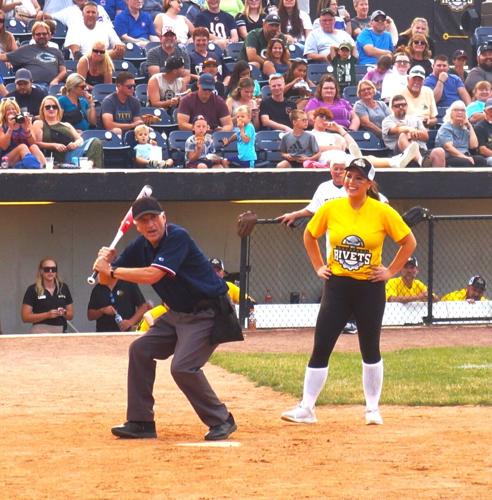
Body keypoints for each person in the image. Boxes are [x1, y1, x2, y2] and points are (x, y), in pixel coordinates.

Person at [280, 157, 416, 426]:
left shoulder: (382, 211)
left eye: (358, 178)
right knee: (322, 346)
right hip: (338, 287)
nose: (351, 181)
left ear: (369, 183)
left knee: (370, 347)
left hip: (370, 288)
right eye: (349, 176)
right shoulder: (332, 208)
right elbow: (310, 234)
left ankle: (372, 409)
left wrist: (389, 271)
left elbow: (408, 242)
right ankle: (307, 408)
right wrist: (319, 266)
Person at [92, 196, 238, 441]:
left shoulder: (177, 237)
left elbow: (152, 275)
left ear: (164, 218)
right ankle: (140, 422)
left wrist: (112, 269)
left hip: (208, 312)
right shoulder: (140, 246)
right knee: (140, 349)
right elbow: (106, 282)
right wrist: (104, 263)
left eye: (154, 218)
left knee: (183, 367)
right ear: (136, 226)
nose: (150, 224)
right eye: (143, 220)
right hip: (178, 313)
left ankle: (221, 419)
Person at [32, 95, 104, 168]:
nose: (51, 109)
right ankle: (89, 166)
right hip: (57, 156)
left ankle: (90, 165)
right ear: (42, 110)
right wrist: (54, 145)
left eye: (54, 107)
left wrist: (74, 144)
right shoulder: (39, 123)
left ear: (58, 109)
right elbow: (36, 143)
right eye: (48, 107)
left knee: (95, 141)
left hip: (72, 153)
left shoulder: (66, 124)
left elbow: (80, 139)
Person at [382, 94, 444, 168]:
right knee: (403, 136)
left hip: (421, 150)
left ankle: (438, 178)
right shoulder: (387, 121)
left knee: (439, 152)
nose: (401, 107)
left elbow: (426, 136)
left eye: (403, 105)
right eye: (397, 106)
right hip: (400, 154)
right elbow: (397, 130)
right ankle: (421, 161)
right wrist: (411, 130)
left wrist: (416, 134)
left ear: (407, 106)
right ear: (392, 108)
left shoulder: (415, 119)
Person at [0, 21, 66, 88]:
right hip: (34, 86)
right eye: (38, 34)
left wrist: (56, 80)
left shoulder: (57, 52)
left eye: (44, 34)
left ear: (49, 35)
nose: (41, 36)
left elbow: (63, 71)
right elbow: (3, 57)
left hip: (53, 86)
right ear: (33, 36)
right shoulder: (25, 50)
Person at [21, 257, 74, 334]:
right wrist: (47, 315)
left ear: (56, 271)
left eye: (53, 269)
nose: (50, 272)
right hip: (40, 332)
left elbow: (71, 315)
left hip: (60, 332)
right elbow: (25, 317)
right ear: (41, 271)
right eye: (47, 269)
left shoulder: (63, 287)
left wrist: (64, 312)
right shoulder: (33, 289)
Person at [435, 100, 487, 167]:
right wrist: (465, 157)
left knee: (481, 160)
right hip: (449, 156)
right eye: (456, 110)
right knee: (465, 162)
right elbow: (448, 148)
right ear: (450, 113)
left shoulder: (465, 129)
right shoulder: (446, 127)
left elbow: (474, 146)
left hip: (465, 155)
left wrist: (470, 126)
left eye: (462, 110)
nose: (460, 112)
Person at [0, 98, 45, 168]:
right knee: (22, 147)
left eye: (13, 109)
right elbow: (4, 146)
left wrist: (27, 130)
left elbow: (33, 143)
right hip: (8, 159)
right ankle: (35, 167)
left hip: (26, 156)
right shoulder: (2, 126)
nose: (11, 111)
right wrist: (10, 128)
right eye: (8, 110)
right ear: (3, 113)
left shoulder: (25, 122)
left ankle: (44, 169)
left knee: (34, 147)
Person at [101, 71, 144, 136]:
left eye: (133, 86)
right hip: (111, 136)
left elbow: (137, 123)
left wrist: (143, 123)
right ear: (119, 86)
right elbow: (109, 125)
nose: (132, 89)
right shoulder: (108, 101)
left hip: (129, 134)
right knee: (117, 131)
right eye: (129, 86)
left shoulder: (135, 101)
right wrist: (131, 125)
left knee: (147, 130)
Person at [474, 97, 492, 166]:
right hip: (487, 157)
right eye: (490, 110)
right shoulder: (479, 127)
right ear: (484, 111)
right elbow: (482, 150)